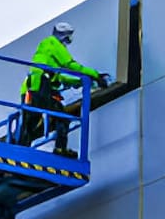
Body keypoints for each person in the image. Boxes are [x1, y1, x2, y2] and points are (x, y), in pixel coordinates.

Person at [16, 21, 109, 157]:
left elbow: (58, 77)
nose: (67, 42)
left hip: (34, 88)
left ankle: (22, 151)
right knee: (51, 118)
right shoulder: (53, 44)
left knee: (34, 122)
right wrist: (95, 75)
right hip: (40, 87)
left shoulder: (46, 53)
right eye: (67, 38)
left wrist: (80, 82)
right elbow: (71, 65)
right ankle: (54, 149)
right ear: (64, 36)